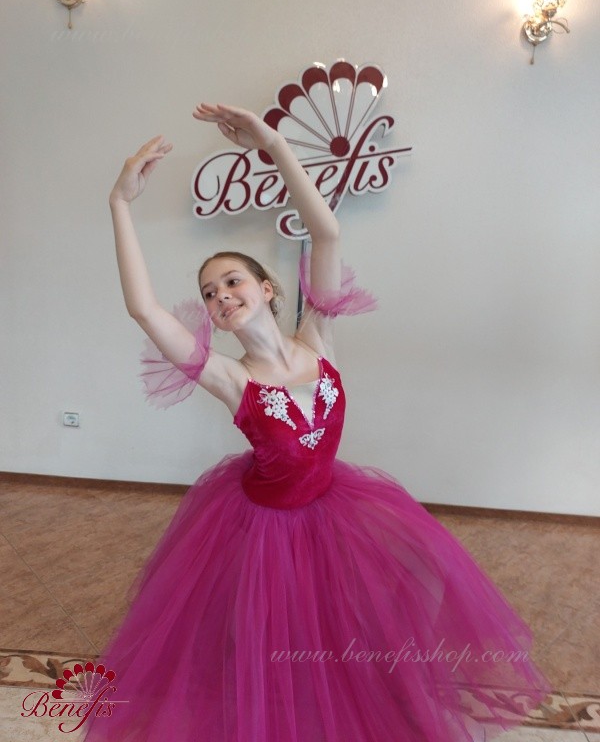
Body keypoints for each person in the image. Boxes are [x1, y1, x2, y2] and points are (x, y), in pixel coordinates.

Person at [82, 105, 550, 742]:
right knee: (272, 645)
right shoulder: (230, 378)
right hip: (264, 528)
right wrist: (119, 202)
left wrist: (271, 141)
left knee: (352, 629)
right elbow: (143, 308)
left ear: (268, 288)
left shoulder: (318, 336)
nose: (221, 296)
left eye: (232, 280)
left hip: (335, 511)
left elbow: (326, 233)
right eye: (210, 293)